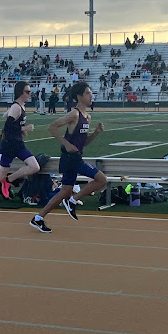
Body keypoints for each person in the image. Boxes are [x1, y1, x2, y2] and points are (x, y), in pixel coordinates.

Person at [30, 82, 107, 233]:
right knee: (102, 179)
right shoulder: (74, 114)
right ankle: (73, 200)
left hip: (76, 156)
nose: (91, 96)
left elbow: (83, 142)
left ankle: (38, 218)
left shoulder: (87, 117)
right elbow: (52, 127)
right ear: (79, 96)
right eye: (87, 93)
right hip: (71, 159)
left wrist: (96, 132)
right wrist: (66, 144)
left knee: (64, 191)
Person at [0, 81, 40, 215]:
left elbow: (7, 118)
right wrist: (24, 128)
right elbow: (8, 127)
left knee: (34, 167)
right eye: (27, 92)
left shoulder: (20, 107)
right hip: (10, 145)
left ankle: (9, 180)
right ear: (20, 93)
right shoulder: (17, 108)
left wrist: (21, 130)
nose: (29, 94)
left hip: (17, 143)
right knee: (0, 173)